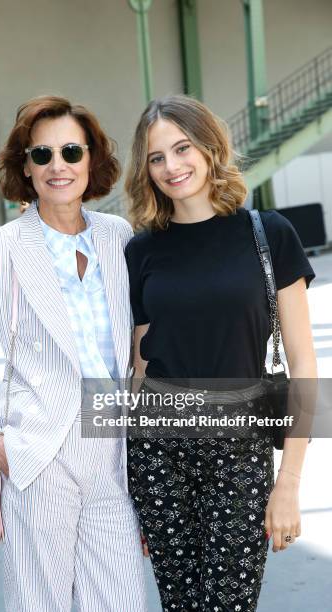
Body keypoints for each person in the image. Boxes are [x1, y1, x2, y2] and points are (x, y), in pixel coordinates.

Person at [0, 95, 146, 612]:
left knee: (120, 600)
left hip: (113, 447)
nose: (59, 165)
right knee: (40, 602)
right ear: (24, 168)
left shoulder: (118, 237)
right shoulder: (0, 249)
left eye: (72, 151)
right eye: (42, 155)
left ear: (91, 161)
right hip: (38, 452)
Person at [124, 94, 317, 611]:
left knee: (227, 604)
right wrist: (127, 483)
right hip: (158, 453)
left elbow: (303, 364)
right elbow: (141, 368)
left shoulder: (268, 234)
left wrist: (289, 484)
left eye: (182, 148)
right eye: (156, 157)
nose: (171, 166)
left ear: (210, 147)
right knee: (180, 604)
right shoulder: (141, 251)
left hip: (240, 452)